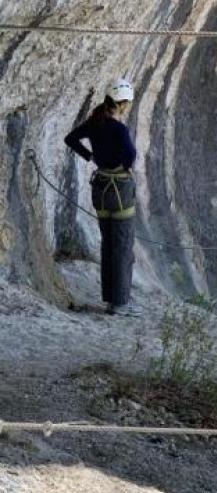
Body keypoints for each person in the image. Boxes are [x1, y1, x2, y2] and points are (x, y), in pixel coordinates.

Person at [64, 79, 139, 316]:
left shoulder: (95, 122)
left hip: (101, 188)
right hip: (119, 189)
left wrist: (91, 157)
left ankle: (110, 300)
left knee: (108, 244)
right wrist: (124, 166)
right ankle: (120, 304)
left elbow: (70, 139)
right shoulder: (119, 128)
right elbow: (130, 155)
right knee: (123, 246)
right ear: (123, 103)